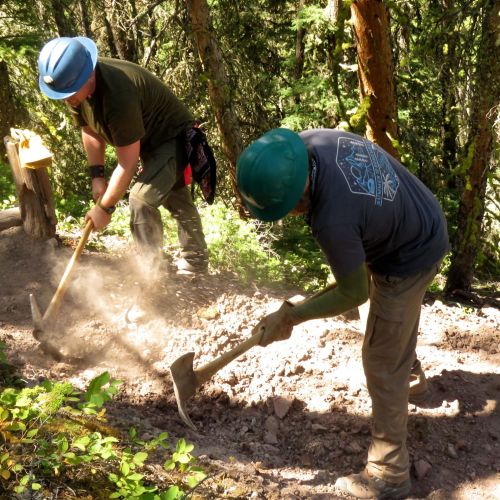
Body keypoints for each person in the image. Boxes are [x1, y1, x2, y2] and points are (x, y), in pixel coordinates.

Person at [236, 128, 449, 499]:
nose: (292, 214)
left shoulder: (332, 218)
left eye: (288, 208)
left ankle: (389, 473)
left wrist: (291, 316)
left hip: (411, 253)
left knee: (381, 360)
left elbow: (354, 293)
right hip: (414, 213)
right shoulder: (309, 142)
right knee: (390, 329)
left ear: (297, 196)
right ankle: (412, 374)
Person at [37, 36, 208, 274]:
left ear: (89, 74)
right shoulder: (73, 86)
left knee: (141, 199)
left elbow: (126, 164)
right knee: (173, 196)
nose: (67, 99)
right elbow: (89, 129)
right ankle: (193, 262)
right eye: (62, 93)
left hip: (175, 137)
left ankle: (153, 274)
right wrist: (96, 175)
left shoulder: (117, 96)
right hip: (148, 140)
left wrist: (104, 208)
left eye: (70, 92)